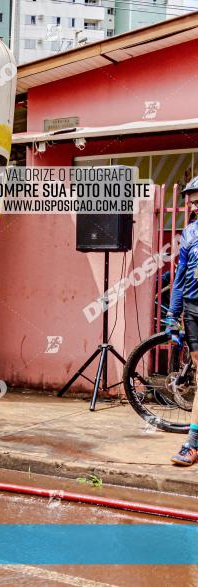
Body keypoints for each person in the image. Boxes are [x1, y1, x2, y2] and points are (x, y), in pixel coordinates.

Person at [166, 175, 198, 466]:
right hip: (192, 309)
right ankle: (193, 442)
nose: (197, 205)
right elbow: (180, 277)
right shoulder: (189, 232)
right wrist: (172, 316)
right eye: (194, 201)